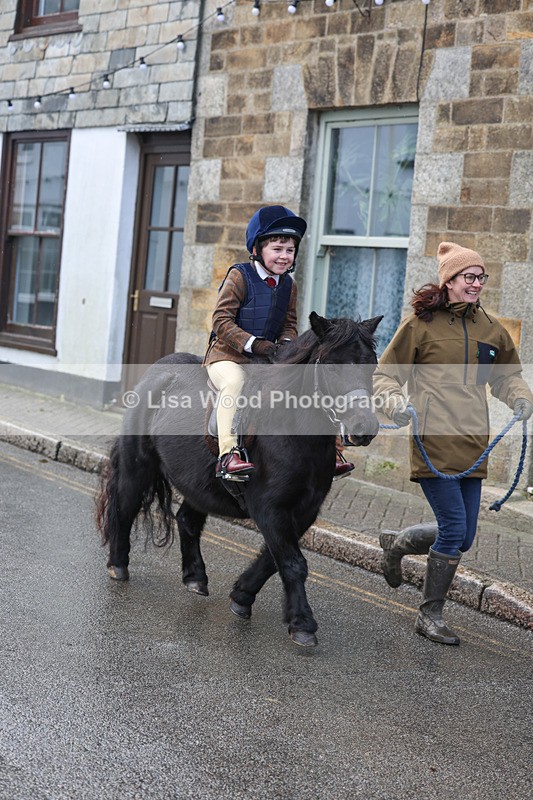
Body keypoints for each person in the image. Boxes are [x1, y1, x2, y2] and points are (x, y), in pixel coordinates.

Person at [373, 241, 533, 645]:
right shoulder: (419, 326)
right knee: (453, 528)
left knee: (463, 537)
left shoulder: (491, 329)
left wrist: (520, 396)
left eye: (481, 277)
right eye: (469, 277)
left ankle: (397, 544)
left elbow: (506, 376)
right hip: (433, 442)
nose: (477, 283)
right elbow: (384, 376)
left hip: (473, 445)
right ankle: (430, 615)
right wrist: (395, 403)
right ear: (449, 281)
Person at [204, 204, 355, 480]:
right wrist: (254, 343)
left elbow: (288, 323)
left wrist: (286, 344)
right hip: (226, 357)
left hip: (266, 358)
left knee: (307, 381)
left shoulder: (289, 285)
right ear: (257, 249)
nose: (284, 256)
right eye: (277, 249)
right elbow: (221, 321)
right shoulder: (239, 276)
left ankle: (330, 451)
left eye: (290, 250)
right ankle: (228, 455)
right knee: (235, 382)